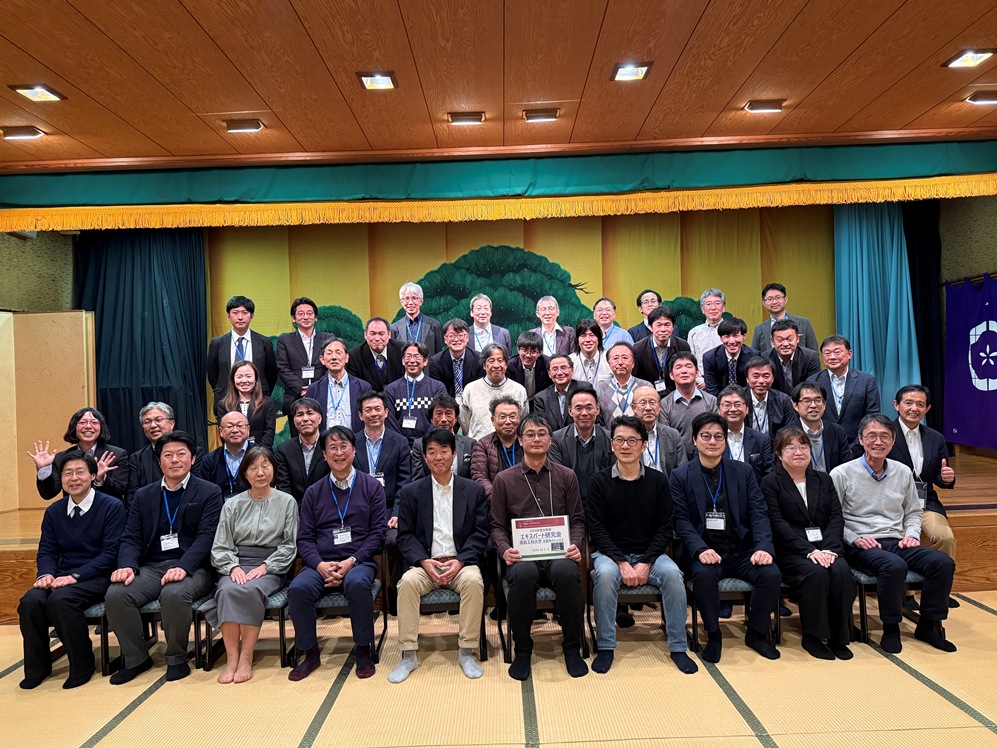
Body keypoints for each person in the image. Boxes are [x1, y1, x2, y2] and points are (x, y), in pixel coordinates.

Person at [831, 414, 956, 654]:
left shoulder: (902, 471)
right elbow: (832, 517)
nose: (878, 442)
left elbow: (913, 511)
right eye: (871, 436)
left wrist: (912, 535)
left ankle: (929, 624)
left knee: (942, 562)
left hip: (897, 540)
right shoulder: (842, 473)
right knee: (894, 566)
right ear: (860, 439)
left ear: (893, 440)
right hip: (861, 544)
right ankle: (891, 627)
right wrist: (854, 538)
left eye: (884, 436)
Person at [105, 431, 223, 683]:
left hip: (194, 567)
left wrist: (184, 566)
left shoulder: (209, 491)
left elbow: (207, 536)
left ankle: (176, 657)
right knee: (117, 594)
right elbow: (131, 536)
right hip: (153, 566)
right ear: (159, 461)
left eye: (181, 454)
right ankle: (136, 658)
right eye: (168, 455)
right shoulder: (144, 495)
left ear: (193, 459)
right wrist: (127, 566)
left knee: (174, 594)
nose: (175, 460)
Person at [587, 416, 697, 675]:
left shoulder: (658, 481)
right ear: (612, 444)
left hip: (651, 554)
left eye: (632, 441)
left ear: (644, 445)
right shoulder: (599, 481)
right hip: (610, 555)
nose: (625, 446)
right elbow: (597, 529)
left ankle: (678, 646)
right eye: (620, 440)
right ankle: (606, 646)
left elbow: (664, 527)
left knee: (673, 575)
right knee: (605, 576)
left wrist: (646, 561)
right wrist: (621, 562)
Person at [671, 413, 782, 663]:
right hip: (704, 550)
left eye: (718, 437)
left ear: (725, 440)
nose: (712, 442)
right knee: (703, 575)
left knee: (771, 574)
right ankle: (714, 635)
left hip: (741, 550)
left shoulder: (743, 471)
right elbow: (681, 520)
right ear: (694, 439)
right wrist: (700, 549)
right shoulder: (680, 475)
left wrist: (763, 547)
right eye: (706, 436)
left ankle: (756, 634)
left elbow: (758, 511)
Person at [491, 414, 588, 681]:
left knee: (567, 573)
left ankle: (572, 647)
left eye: (542, 433)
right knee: (522, 576)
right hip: (523, 556)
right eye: (530, 434)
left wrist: (575, 544)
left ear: (550, 439)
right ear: (520, 440)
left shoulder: (567, 476)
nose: (536, 439)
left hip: (559, 553)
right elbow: (497, 526)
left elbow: (578, 520)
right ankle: (523, 649)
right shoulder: (504, 479)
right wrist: (504, 549)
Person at [18, 450, 125, 689]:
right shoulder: (54, 511)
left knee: (61, 600)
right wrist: (46, 574)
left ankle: (82, 665)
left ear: (92, 475)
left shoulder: (111, 506)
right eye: (67, 473)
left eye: (80, 472)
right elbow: (47, 550)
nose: (73, 478)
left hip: (97, 575)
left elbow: (110, 554)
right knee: (30, 601)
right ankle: (37, 668)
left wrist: (75, 576)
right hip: (61, 576)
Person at [389, 428, 489, 683]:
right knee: (407, 583)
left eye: (444, 451)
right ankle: (408, 655)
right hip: (426, 564)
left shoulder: (473, 490)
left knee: (473, 581)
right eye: (431, 452)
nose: (438, 457)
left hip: (461, 562)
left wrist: (460, 561)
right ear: (424, 457)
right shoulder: (412, 492)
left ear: (454, 454)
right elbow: (404, 536)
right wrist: (424, 562)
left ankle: (466, 651)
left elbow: (481, 533)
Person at [288, 426, 388, 681]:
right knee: (298, 589)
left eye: (344, 447)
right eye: (332, 448)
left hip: (359, 561)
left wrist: (351, 561)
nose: (339, 453)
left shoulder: (371, 487)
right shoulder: (313, 492)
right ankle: (310, 653)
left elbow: (378, 533)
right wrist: (320, 565)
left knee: (357, 584)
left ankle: (363, 650)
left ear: (354, 451)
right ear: (324, 455)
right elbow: (305, 538)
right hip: (320, 563)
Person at [203, 446, 298, 684]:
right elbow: (221, 544)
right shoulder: (232, 504)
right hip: (236, 562)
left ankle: (246, 657)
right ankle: (231, 659)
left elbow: (289, 544)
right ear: (245, 473)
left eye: (265, 466)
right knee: (227, 590)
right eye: (253, 468)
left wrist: (266, 566)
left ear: (274, 469)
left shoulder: (287, 502)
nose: (260, 472)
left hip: (270, 565)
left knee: (250, 589)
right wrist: (233, 567)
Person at [761, 429, 856, 660]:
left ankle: (839, 637)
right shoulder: (770, 482)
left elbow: (835, 517)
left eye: (803, 446)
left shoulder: (823, 479)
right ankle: (813, 636)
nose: (799, 452)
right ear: (778, 454)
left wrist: (829, 549)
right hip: (792, 551)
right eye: (791, 447)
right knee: (816, 573)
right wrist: (810, 551)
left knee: (842, 571)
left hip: (826, 548)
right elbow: (777, 523)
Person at [888, 385, 957, 581]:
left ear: (927, 409)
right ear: (896, 405)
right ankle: (906, 592)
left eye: (920, 404)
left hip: (925, 503)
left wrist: (946, 478)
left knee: (946, 538)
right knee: (902, 541)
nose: (914, 408)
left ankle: (941, 588)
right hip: (893, 504)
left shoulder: (936, 438)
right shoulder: (884, 434)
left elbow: (939, 477)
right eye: (908, 403)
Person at [30, 407, 128, 500]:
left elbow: (121, 490)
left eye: (94, 422)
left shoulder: (117, 454)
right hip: (74, 510)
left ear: (101, 427)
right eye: (82, 422)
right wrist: (44, 470)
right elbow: (48, 494)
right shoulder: (61, 457)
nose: (88, 426)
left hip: (108, 510)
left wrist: (101, 479)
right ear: (74, 427)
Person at [125, 402, 205, 507]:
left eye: (158, 420)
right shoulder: (137, 458)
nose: (153, 425)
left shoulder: (194, 452)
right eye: (147, 422)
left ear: (172, 423)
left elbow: (199, 489)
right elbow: (132, 497)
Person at [809, 335, 881, 442]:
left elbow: (872, 416)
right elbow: (808, 415)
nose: (832, 357)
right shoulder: (813, 381)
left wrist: (857, 446)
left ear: (849, 354)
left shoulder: (866, 381)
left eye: (837, 352)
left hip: (858, 443)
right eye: (827, 353)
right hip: (823, 442)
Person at [207, 294, 278, 399]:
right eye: (235, 313)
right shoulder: (217, 343)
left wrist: (262, 393)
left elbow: (271, 373)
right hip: (226, 398)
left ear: (252, 316)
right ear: (228, 316)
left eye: (245, 313)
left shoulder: (264, 342)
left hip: (257, 398)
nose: (240, 317)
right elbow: (212, 375)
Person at [549, 387, 614, 501]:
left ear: (597, 409)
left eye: (589, 407)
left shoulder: (611, 439)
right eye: (578, 408)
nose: (584, 413)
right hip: (569, 501)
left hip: (603, 501)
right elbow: (557, 478)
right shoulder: (556, 439)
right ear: (570, 411)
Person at [276, 297, 332, 425]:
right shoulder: (285, 340)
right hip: (295, 396)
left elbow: (332, 366)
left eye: (309, 313)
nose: (305, 317)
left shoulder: (328, 338)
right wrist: (301, 388)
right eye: (300, 314)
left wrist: (316, 388)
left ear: (315, 317)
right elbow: (282, 368)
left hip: (323, 394)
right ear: (293, 318)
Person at [459, 343, 527, 439]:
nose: (496, 365)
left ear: (506, 364)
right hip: (478, 444)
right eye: (491, 361)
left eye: (500, 360)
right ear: (484, 365)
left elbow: (523, 421)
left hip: (510, 445)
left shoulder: (519, 390)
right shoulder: (470, 389)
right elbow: (465, 423)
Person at [383, 341, 447, 443]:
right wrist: (402, 444)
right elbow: (389, 421)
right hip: (400, 446)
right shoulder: (390, 389)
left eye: (417, 356)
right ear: (403, 361)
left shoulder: (437, 387)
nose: (412, 361)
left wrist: (423, 444)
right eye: (408, 356)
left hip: (430, 444)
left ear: (425, 361)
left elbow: (440, 418)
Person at [305, 337, 372, 433]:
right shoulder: (314, 389)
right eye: (329, 353)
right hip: (324, 440)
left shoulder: (363, 387)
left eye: (338, 352)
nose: (334, 357)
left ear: (347, 358)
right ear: (322, 359)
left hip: (354, 440)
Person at [659, 352, 718, 457]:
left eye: (688, 366)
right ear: (671, 375)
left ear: (697, 373)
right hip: (677, 460)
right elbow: (667, 439)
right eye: (678, 367)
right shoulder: (664, 404)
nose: (684, 371)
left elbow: (716, 433)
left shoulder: (711, 401)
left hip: (707, 457)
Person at [784, 382, 851, 474]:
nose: (813, 405)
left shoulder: (837, 431)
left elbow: (846, 467)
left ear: (824, 405)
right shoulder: (785, 435)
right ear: (795, 406)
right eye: (807, 401)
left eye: (818, 400)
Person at [275, 398, 331, 502]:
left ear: (320, 419)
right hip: (294, 506)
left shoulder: (330, 445)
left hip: (327, 505)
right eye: (300, 415)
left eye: (310, 413)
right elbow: (283, 486)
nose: (305, 419)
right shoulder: (283, 450)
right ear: (294, 421)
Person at [411, 394, 476, 480]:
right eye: (439, 414)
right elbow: (418, 480)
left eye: (448, 414)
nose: (444, 419)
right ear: (432, 419)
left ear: (456, 419)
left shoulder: (470, 444)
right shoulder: (419, 445)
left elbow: (475, 477)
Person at [470, 396, 523, 500]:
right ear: (493, 420)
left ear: (519, 418)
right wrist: (499, 499)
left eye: (512, 416)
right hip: (495, 502)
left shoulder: (527, 442)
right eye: (502, 417)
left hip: (526, 501)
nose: (508, 421)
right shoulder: (483, 445)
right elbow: (479, 477)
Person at [214, 360, 276, 448]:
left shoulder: (267, 403)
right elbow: (225, 433)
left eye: (248, 376)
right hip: (234, 451)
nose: (244, 380)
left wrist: (259, 453)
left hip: (261, 452)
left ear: (255, 379)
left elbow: (269, 432)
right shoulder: (223, 404)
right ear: (233, 379)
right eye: (239, 377)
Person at [718, 385, 773, 485]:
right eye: (727, 405)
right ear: (719, 410)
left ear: (747, 409)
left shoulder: (762, 440)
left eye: (738, 404)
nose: (733, 409)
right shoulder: (711, 440)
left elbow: (768, 475)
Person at [633, 305, 692, 394]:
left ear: (673, 327)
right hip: (648, 394)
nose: (663, 329)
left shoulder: (682, 346)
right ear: (651, 327)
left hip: (676, 393)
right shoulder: (638, 348)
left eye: (667, 325)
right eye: (659, 325)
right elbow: (636, 377)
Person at [631, 385, 687, 476]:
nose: (648, 408)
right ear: (634, 408)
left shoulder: (673, 435)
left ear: (660, 406)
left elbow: (683, 470)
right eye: (643, 403)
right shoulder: (627, 437)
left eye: (652, 402)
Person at [196, 411, 251, 499]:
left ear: (248, 430)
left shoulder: (260, 456)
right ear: (220, 431)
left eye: (240, 426)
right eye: (229, 426)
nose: (235, 430)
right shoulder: (210, 459)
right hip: (219, 506)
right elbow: (203, 492)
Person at [751, 283, 819, 354]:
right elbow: (755, 356)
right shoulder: (759, 329)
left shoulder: (804, 323)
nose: (774, 302)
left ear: (785, 299)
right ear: (764, 303)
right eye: (770, 299)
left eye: (778, 297)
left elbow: (814, 352)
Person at [427, 318, 484, 398]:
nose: (456, 339)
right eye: (451, 336)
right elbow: (437, 392)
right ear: (445, 339)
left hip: (472, 401)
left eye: (460, 335)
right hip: (446, 403)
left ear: (467, 338)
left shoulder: (479, 359)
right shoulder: (435, 362)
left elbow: (480, 389)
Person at [596, 342, 652, 422]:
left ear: (633, 363)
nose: (620, 362)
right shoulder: (600, 388)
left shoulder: (646, 387)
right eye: (615, 358)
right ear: (609, 364)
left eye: (625, 358)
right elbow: (598, 420)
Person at [703, 317, 759, 397]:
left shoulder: (754, 356)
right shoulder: (710, 358)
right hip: (720, 400)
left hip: (746, 399)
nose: (731, 341)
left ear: (744, 336)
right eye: (727, 336)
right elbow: (712, 391)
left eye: (735, 336)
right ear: (721, 338)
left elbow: (753, 386)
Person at [346, 317, 405, 391]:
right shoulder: (354, 356)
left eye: (381, 334)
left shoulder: (402, 350)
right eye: (373, 334)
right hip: (367, 397)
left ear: (389, 335)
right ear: (365, 335)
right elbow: (354, 388)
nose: (377, 338)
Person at [768, 319, 821, 396]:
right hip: (776, 400)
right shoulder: (766, 358)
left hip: (803, 399)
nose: (785, 344)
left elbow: (812, 387)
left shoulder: (810, 357)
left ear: (797, 339)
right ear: (772, 341)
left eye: (789, 339)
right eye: (780, 340)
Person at [390, 282, 444, 357]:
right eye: (406, 298)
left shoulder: (434, 325)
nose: (410, 302)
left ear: (421, 301)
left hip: (428, 364)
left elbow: (439, 355)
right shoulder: (394, 328)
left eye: (414, 298)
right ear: (401, 302)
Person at [744, 357, 794, 438]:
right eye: (756, 376)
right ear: (747, 379)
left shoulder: (783, 400)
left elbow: (790, 430)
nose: (761, 381)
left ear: (773, 379)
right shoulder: (739, 399)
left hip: (775, 444)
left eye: (766, 376)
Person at [687, 288, 727, 387]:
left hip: (726, 382)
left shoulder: (730, 331)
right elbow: (690, 361)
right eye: (708, 304)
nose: (713, 308)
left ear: (723, 308)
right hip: (700, 383)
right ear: (702, 309)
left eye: (717, 303)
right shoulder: (694, 333)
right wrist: (700, 380)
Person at [533, 354, 582, 432]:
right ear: (549, 374)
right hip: (552, 438)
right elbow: (541, 428)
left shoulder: (583, 389)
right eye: (555, 369)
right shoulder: (541, 398)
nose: (559, 373)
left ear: (572, 370)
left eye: (563, 368)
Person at [507, 330, 552, 409]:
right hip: (516, 403)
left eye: (533, 351)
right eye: (524, 350)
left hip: (539, 403)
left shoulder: (547, 364)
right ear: (518, 350)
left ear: (540, 352)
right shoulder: (509, 366)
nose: (528, 355)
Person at [570, 319, 612, 388]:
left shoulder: (610, 360)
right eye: (583, 336)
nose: (588, 340)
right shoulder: (570, 361)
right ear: (577, 340)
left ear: (599, 339)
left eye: (592, 335)